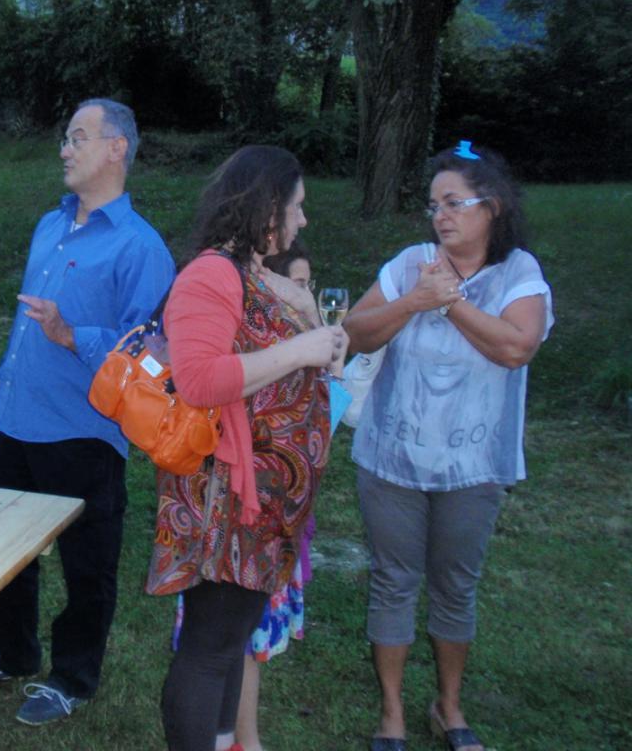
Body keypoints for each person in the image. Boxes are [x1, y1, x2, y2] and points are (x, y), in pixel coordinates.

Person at [0, 98, 176, 725]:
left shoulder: (141, 247)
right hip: (16, 417)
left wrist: (74, 335)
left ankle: (73, 676)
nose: (64, 149)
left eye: (78, 138)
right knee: (5, 551)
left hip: (84, 430)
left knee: (87, 563)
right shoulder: (49, 226)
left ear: (116, 148)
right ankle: (13, 651)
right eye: (66, 138)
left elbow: (153, 356)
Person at [342, 141, 553, 751]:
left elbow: (516, 347)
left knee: (456, 585)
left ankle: (449, 707)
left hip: (474, 464)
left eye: (454, 202)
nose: (441, 215)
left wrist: (450, 303)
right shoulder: (412, 264)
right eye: (434, 205)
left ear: (494, 206)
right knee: (392, 580)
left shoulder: (518, 273)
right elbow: (353, 332)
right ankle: (392, 714)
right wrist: (415, 299)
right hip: (392, 457)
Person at [147, 146, 347, 751]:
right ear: (268, 206)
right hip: (225, 503)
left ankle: (224, 742)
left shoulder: (253, 273)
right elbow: (199, 379)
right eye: (297, 206)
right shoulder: (211, 273)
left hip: (258, 505)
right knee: (209, 649)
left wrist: (312, 329)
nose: (303, 220)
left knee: (229, 642)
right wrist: (300, 350)